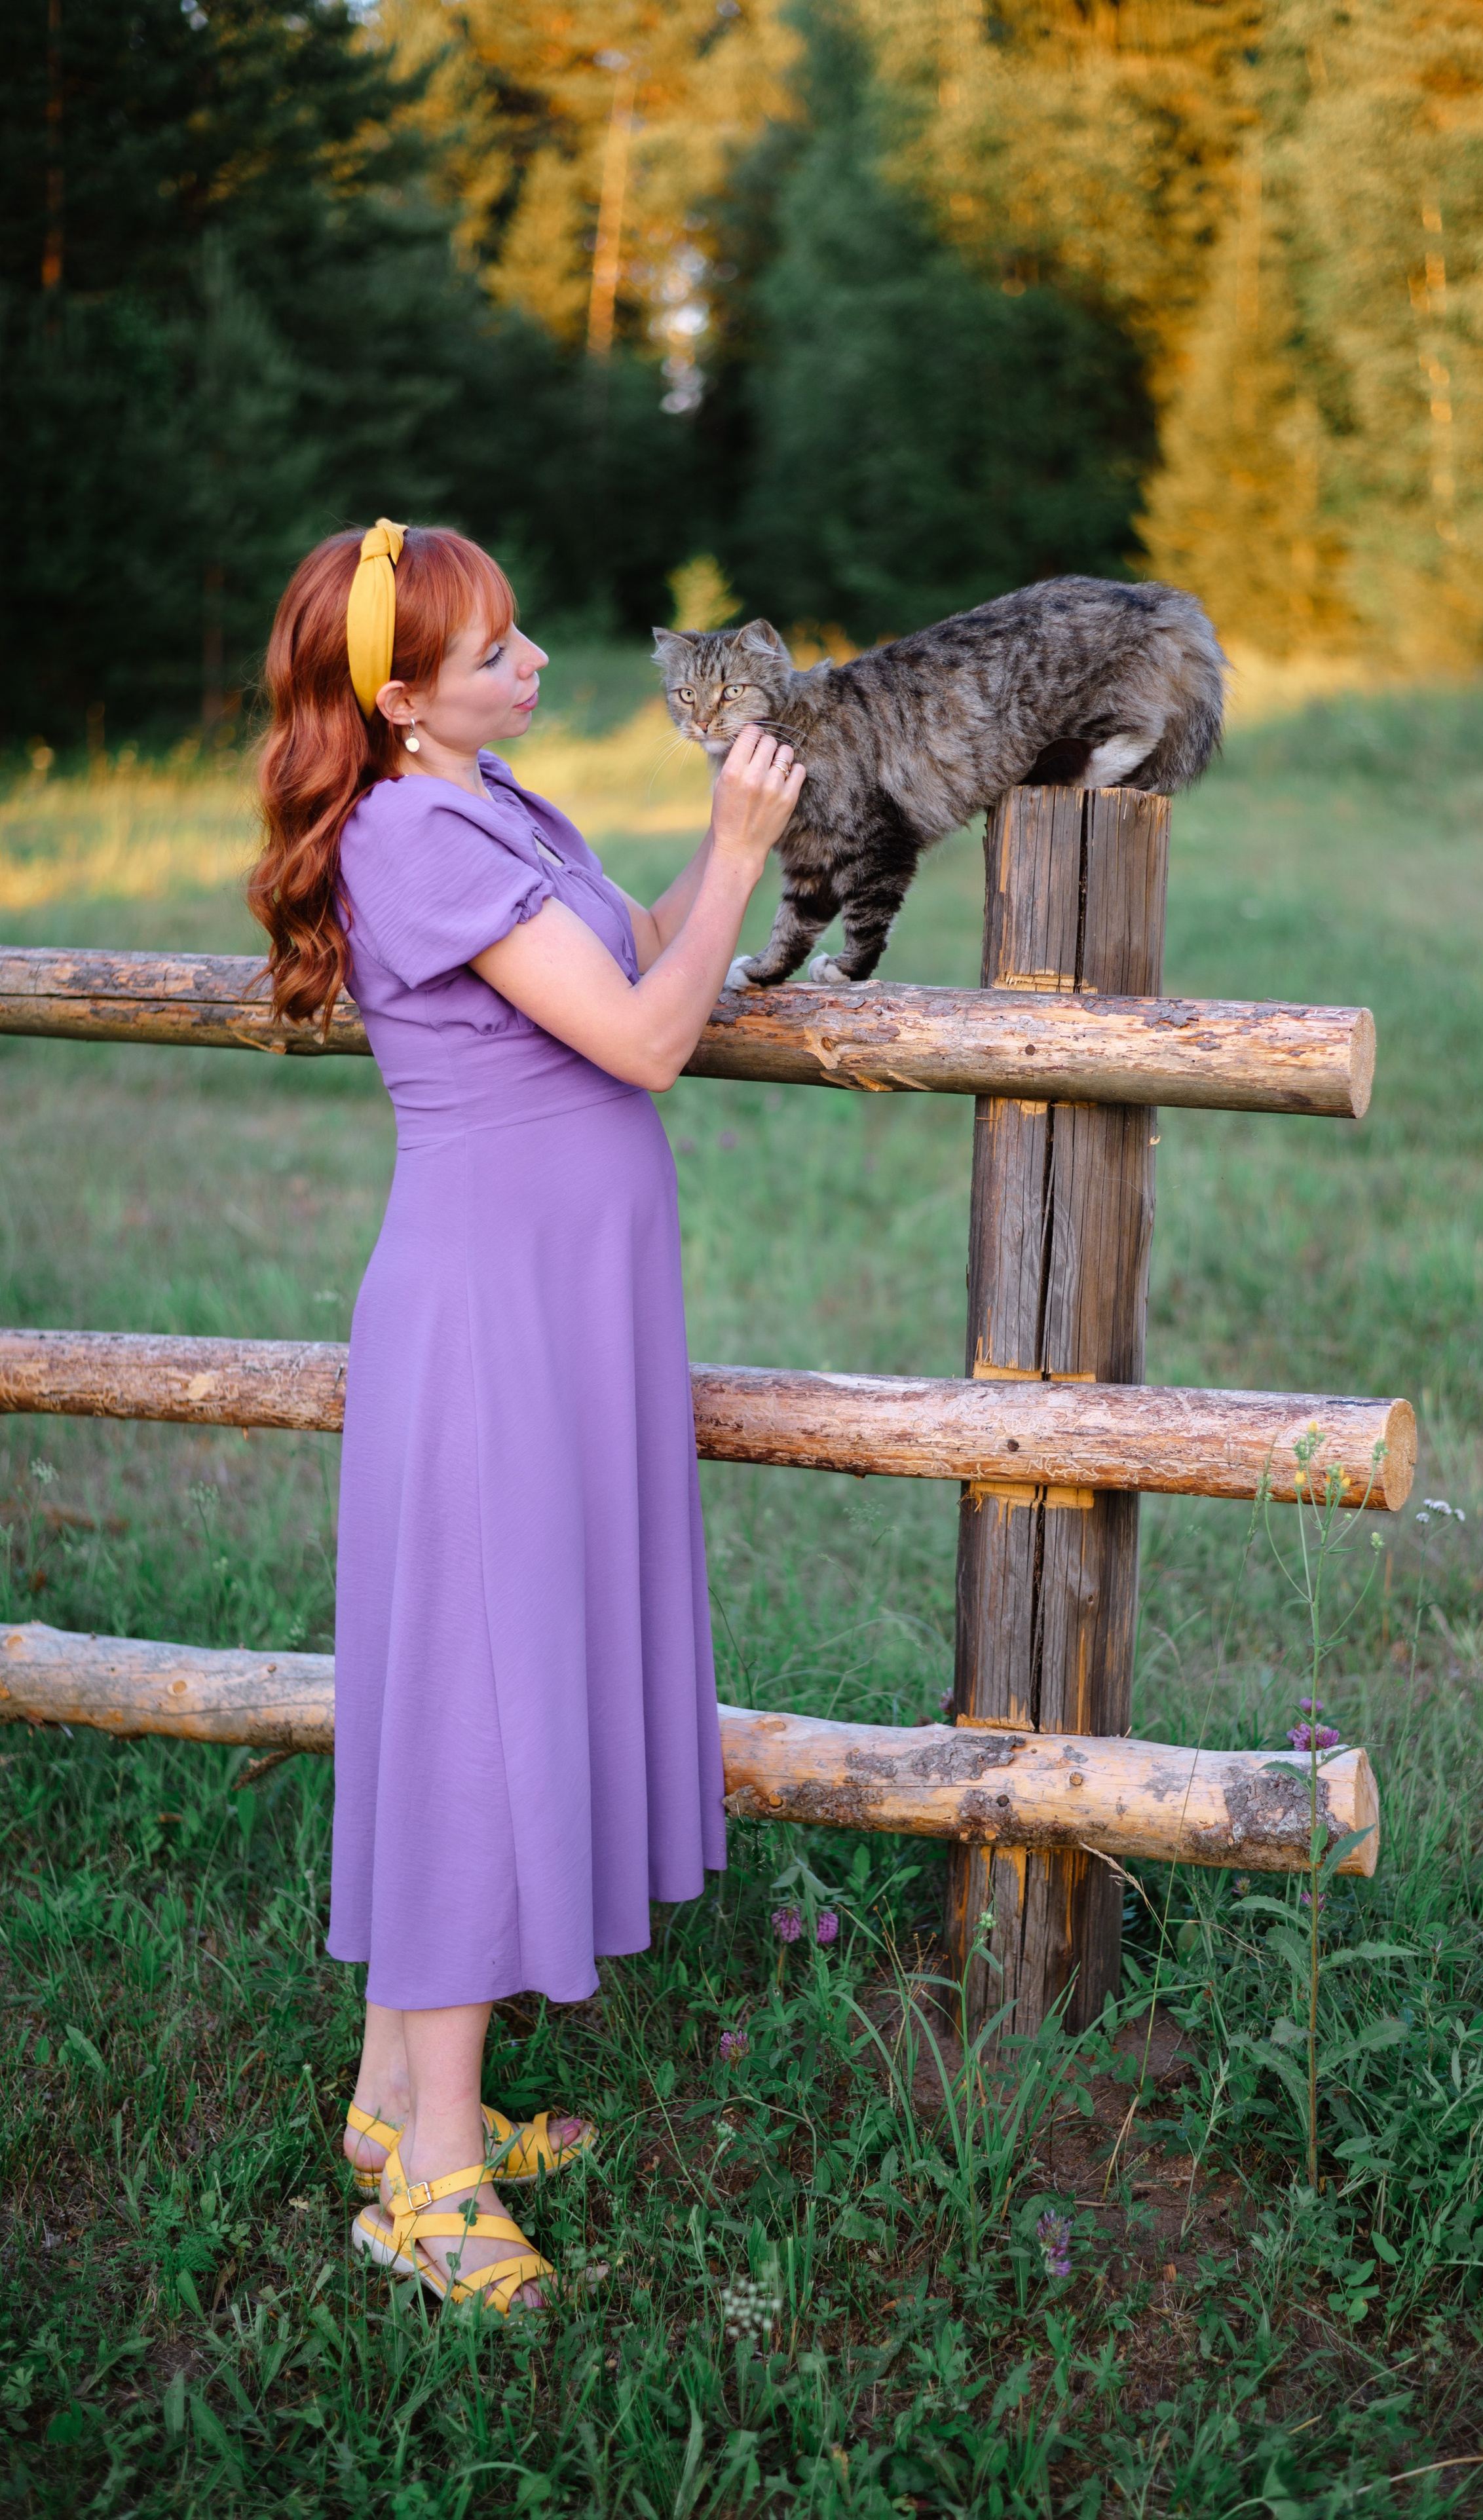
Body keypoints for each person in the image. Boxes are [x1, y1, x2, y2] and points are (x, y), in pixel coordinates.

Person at [248, 521, 804, 2314]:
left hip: (571, 1310)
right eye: (496, 653)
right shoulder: (412, 838)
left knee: (493, 1686)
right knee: (475, 1718)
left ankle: (390, 2099)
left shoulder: (506, 809)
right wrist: (735, 853)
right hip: (488, 1316)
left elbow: (642, 947)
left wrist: (715, 849)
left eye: (522, 638)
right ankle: (428, 2184)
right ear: (400, 700)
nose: (541, 663)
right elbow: (645, 1035)